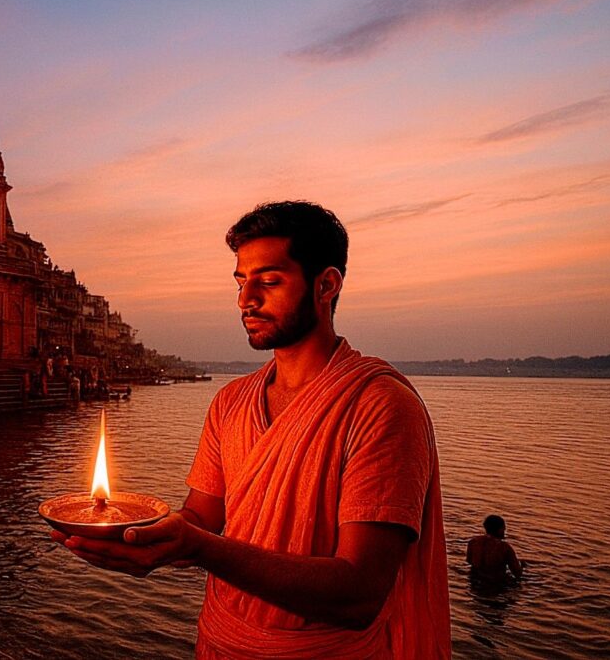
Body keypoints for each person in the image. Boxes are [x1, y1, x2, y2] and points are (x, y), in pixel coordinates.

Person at [51, 201, 450, 658]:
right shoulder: (231, 401)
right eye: (242, 282)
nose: (246, 300)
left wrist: (201, 549)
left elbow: (358, 593)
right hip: (220, 642)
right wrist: (136, 531)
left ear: (326, 284)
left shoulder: (381, 406)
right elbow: (202, 518)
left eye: (269, 281)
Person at [467, 514, 523, 585]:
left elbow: (469, 561)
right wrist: (522, 566)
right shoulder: (504, 547)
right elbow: (517, 573)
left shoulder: (473, 542)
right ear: (500, 530)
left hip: (475, 581)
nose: (505, 532)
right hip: (495, 584)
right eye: (504, 529)